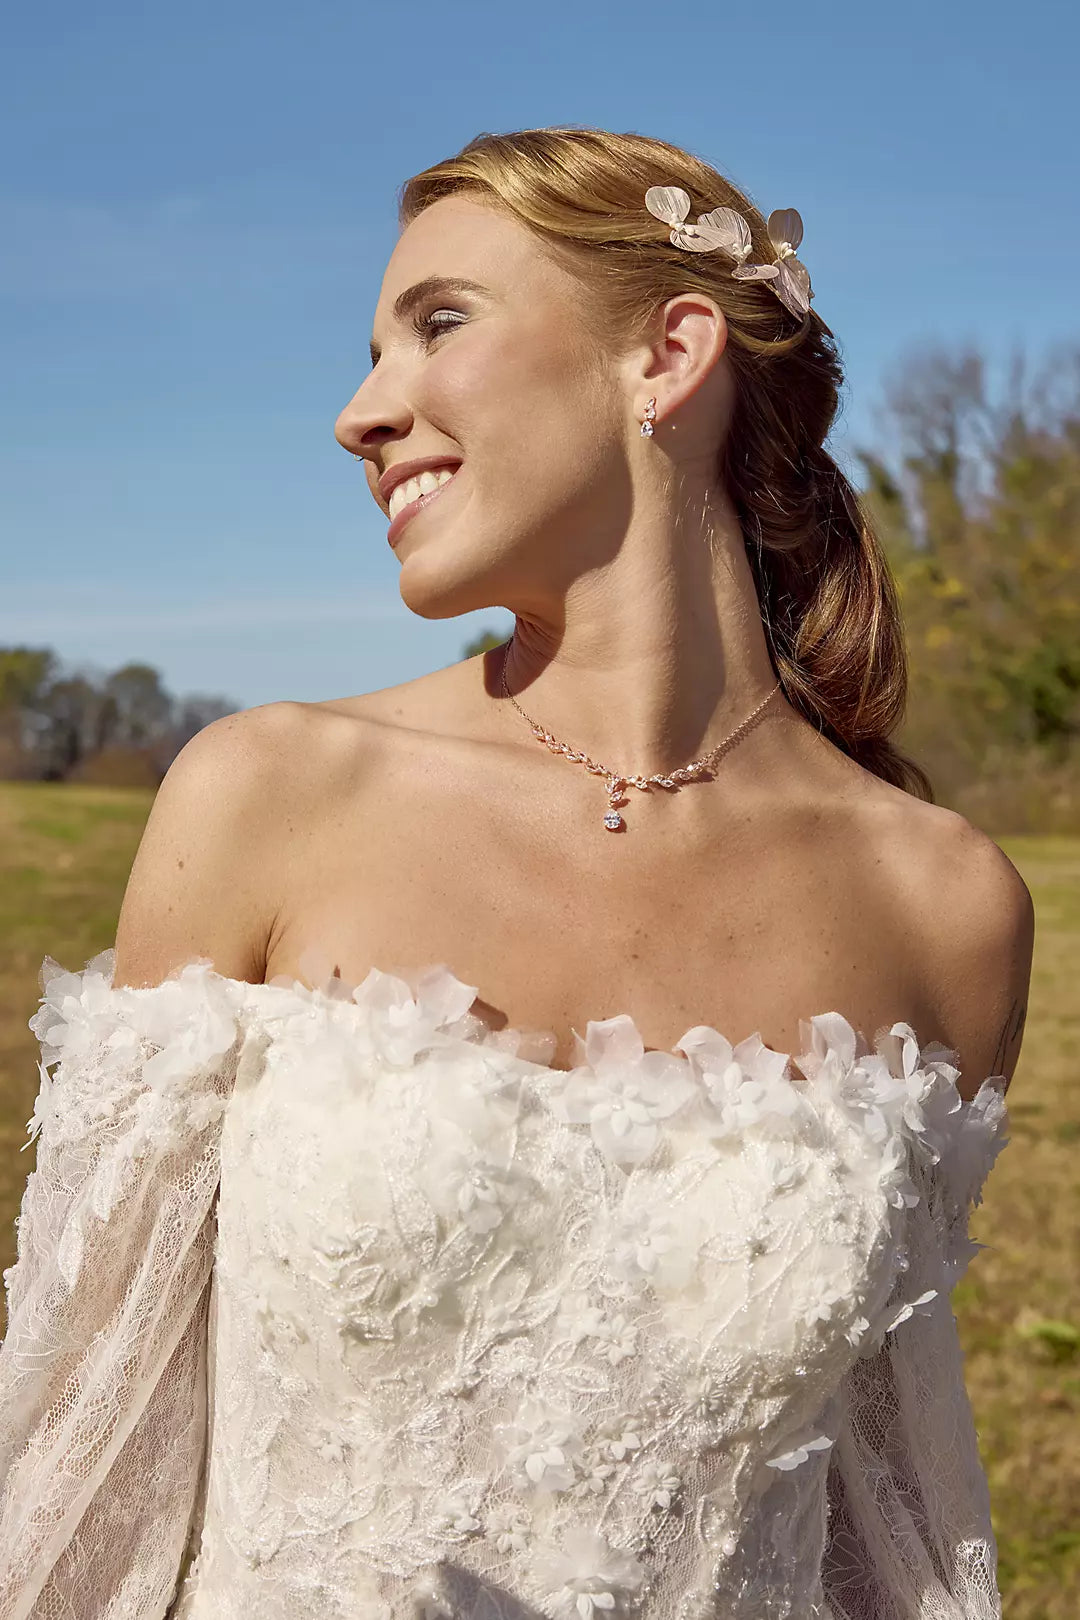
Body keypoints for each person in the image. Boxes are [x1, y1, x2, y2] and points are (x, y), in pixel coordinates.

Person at [0, 127, 1034, 1620]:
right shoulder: (270, 796)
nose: (361, 413)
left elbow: (887, 1516)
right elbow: (82, 1453)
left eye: (438, 322)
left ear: (665, 357)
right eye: (369, 351)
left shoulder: (945, 908)